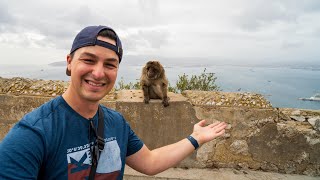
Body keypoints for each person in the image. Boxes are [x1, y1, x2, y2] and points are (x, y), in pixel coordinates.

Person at [0, 25, 227, 179]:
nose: (98, 73)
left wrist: (195, 138)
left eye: (110, 64)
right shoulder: (33, 133)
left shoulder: (116, 122)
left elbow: (150, 162)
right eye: (88, 60)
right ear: (69, 63)